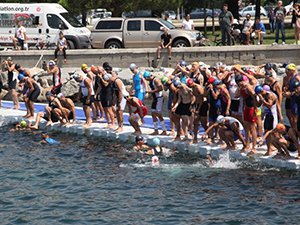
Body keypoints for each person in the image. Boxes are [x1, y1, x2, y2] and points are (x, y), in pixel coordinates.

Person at [282, 63, 300, 131]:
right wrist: (285, 90)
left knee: (295, 117)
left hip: (295, 99)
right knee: (289, 115)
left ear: (292, 70)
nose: (286, 71)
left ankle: (296, 132)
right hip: (290, 99)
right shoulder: (287, 78)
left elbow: (298, 90)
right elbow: (285, 87)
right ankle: (293, 130)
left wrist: (291, 94)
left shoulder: (297, 78)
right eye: (287, 70)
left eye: (288, 70)